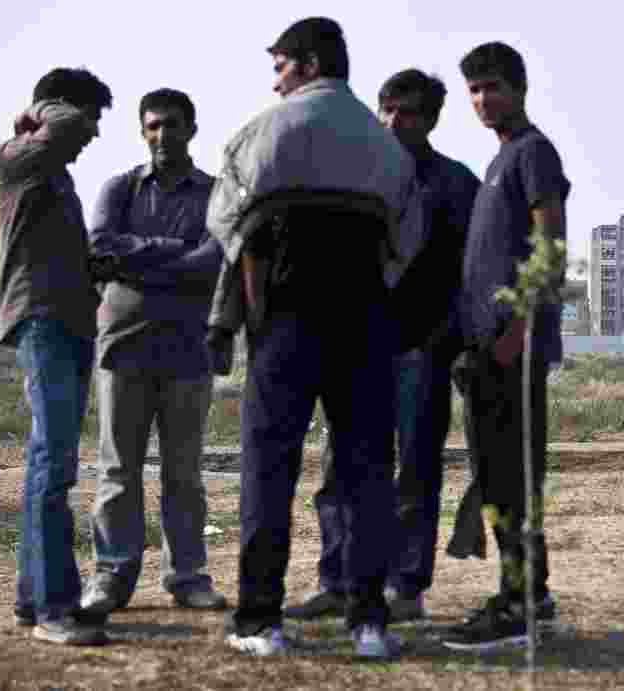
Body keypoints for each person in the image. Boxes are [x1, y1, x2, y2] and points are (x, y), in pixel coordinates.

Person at [204, 17, 415, 659]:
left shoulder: (262, 132)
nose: (275, 81)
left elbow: (227, 225)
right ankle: (368, 622)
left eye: (279, 67)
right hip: (364, 327)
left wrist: (240, 316)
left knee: (268, 473)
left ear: (307, 64)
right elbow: (404, 245)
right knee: (367, 474)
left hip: (285, 327)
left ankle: (260, 620)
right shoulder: (385, 149)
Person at [284, 69, 480, 624]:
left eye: (410, 112)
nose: (396, 122)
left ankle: (407, 587)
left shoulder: (455, 185)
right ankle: (339, 580)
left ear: (433, 118)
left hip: (423, 347)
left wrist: (458, 343)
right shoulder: (352, 178)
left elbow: (473, 275)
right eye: (388, 109)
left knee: (415, 470)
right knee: (339, 469)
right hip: (351, 343)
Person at [441, 42, 570, 652]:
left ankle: (518, 605)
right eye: (474, 89)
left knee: (512, 483)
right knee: (498, 482)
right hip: (486, 353)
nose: (483, 99)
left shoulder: (534, 154)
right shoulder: (500, 160)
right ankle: (531, 595)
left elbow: (551, 250)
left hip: (512, 354)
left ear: (519, 88)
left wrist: (517, 332)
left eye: (493, 86)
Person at [80, 88, 227, 617]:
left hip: (189, 346)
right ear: (143, 131)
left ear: (192, 128)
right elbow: (100, 246)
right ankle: (111, 577)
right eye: (153, 125)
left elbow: (215, 257)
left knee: (183, 473)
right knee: (117, 469)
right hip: (124, 344)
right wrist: (172, 254)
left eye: (172, 124)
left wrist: (138, 256)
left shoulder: (215, 192)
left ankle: (187, 577)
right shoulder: (119, 188)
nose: (162, 134)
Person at [0, 67, 112, 645]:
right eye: (92, 118)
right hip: (42, 322)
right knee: (52, 465)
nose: (92, 134)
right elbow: (62, 122)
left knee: (50, 460)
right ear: (62, 107)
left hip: (67, 321)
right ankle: (52, 609)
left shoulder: (54, 175)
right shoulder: (19, 154)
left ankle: (28, 600)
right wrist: (44, 113)